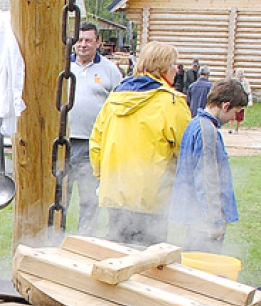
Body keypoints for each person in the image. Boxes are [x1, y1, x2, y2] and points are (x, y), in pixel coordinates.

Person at [89, 41, 190, 246]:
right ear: (162, 68)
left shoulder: (114, 98)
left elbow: (96, 144)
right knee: (148, 262)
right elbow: (185, 149)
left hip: (114, 193)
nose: (176, 70)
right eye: (173, 65)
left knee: (117, 254)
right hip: (151, 196)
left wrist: (102, 177)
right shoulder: (171, 102)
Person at [169, 79, 248, 253]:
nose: (235, 118)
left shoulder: (195, 123)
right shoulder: (207, 131)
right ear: (226, 105)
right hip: (203, 221)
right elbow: (207, 179)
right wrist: (214, 221)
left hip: (196, 217)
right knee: (202, 271)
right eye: (236, 112)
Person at [68, 22, 122, 235]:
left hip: (91, 144)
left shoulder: (109, 70)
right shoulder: (63, 65)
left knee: (89, 197)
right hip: (63, 141)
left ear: (98, 42)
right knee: (59, 194)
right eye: (80, 40)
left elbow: (118, 104)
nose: (83, 45)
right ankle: (53, 236)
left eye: (88, 40)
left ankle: (85, 237)